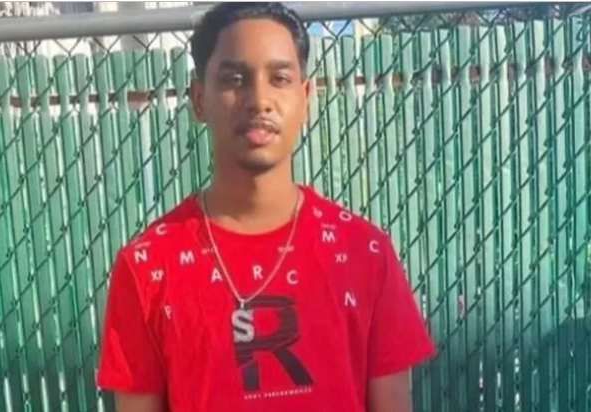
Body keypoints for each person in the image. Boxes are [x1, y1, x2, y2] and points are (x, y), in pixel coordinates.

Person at [95, 2, 435, 411]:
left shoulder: (365, 254)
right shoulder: (146, 267)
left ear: (305, 97)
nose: (259, 99)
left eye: (279, 78)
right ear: (199, 99)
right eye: (235, 79)